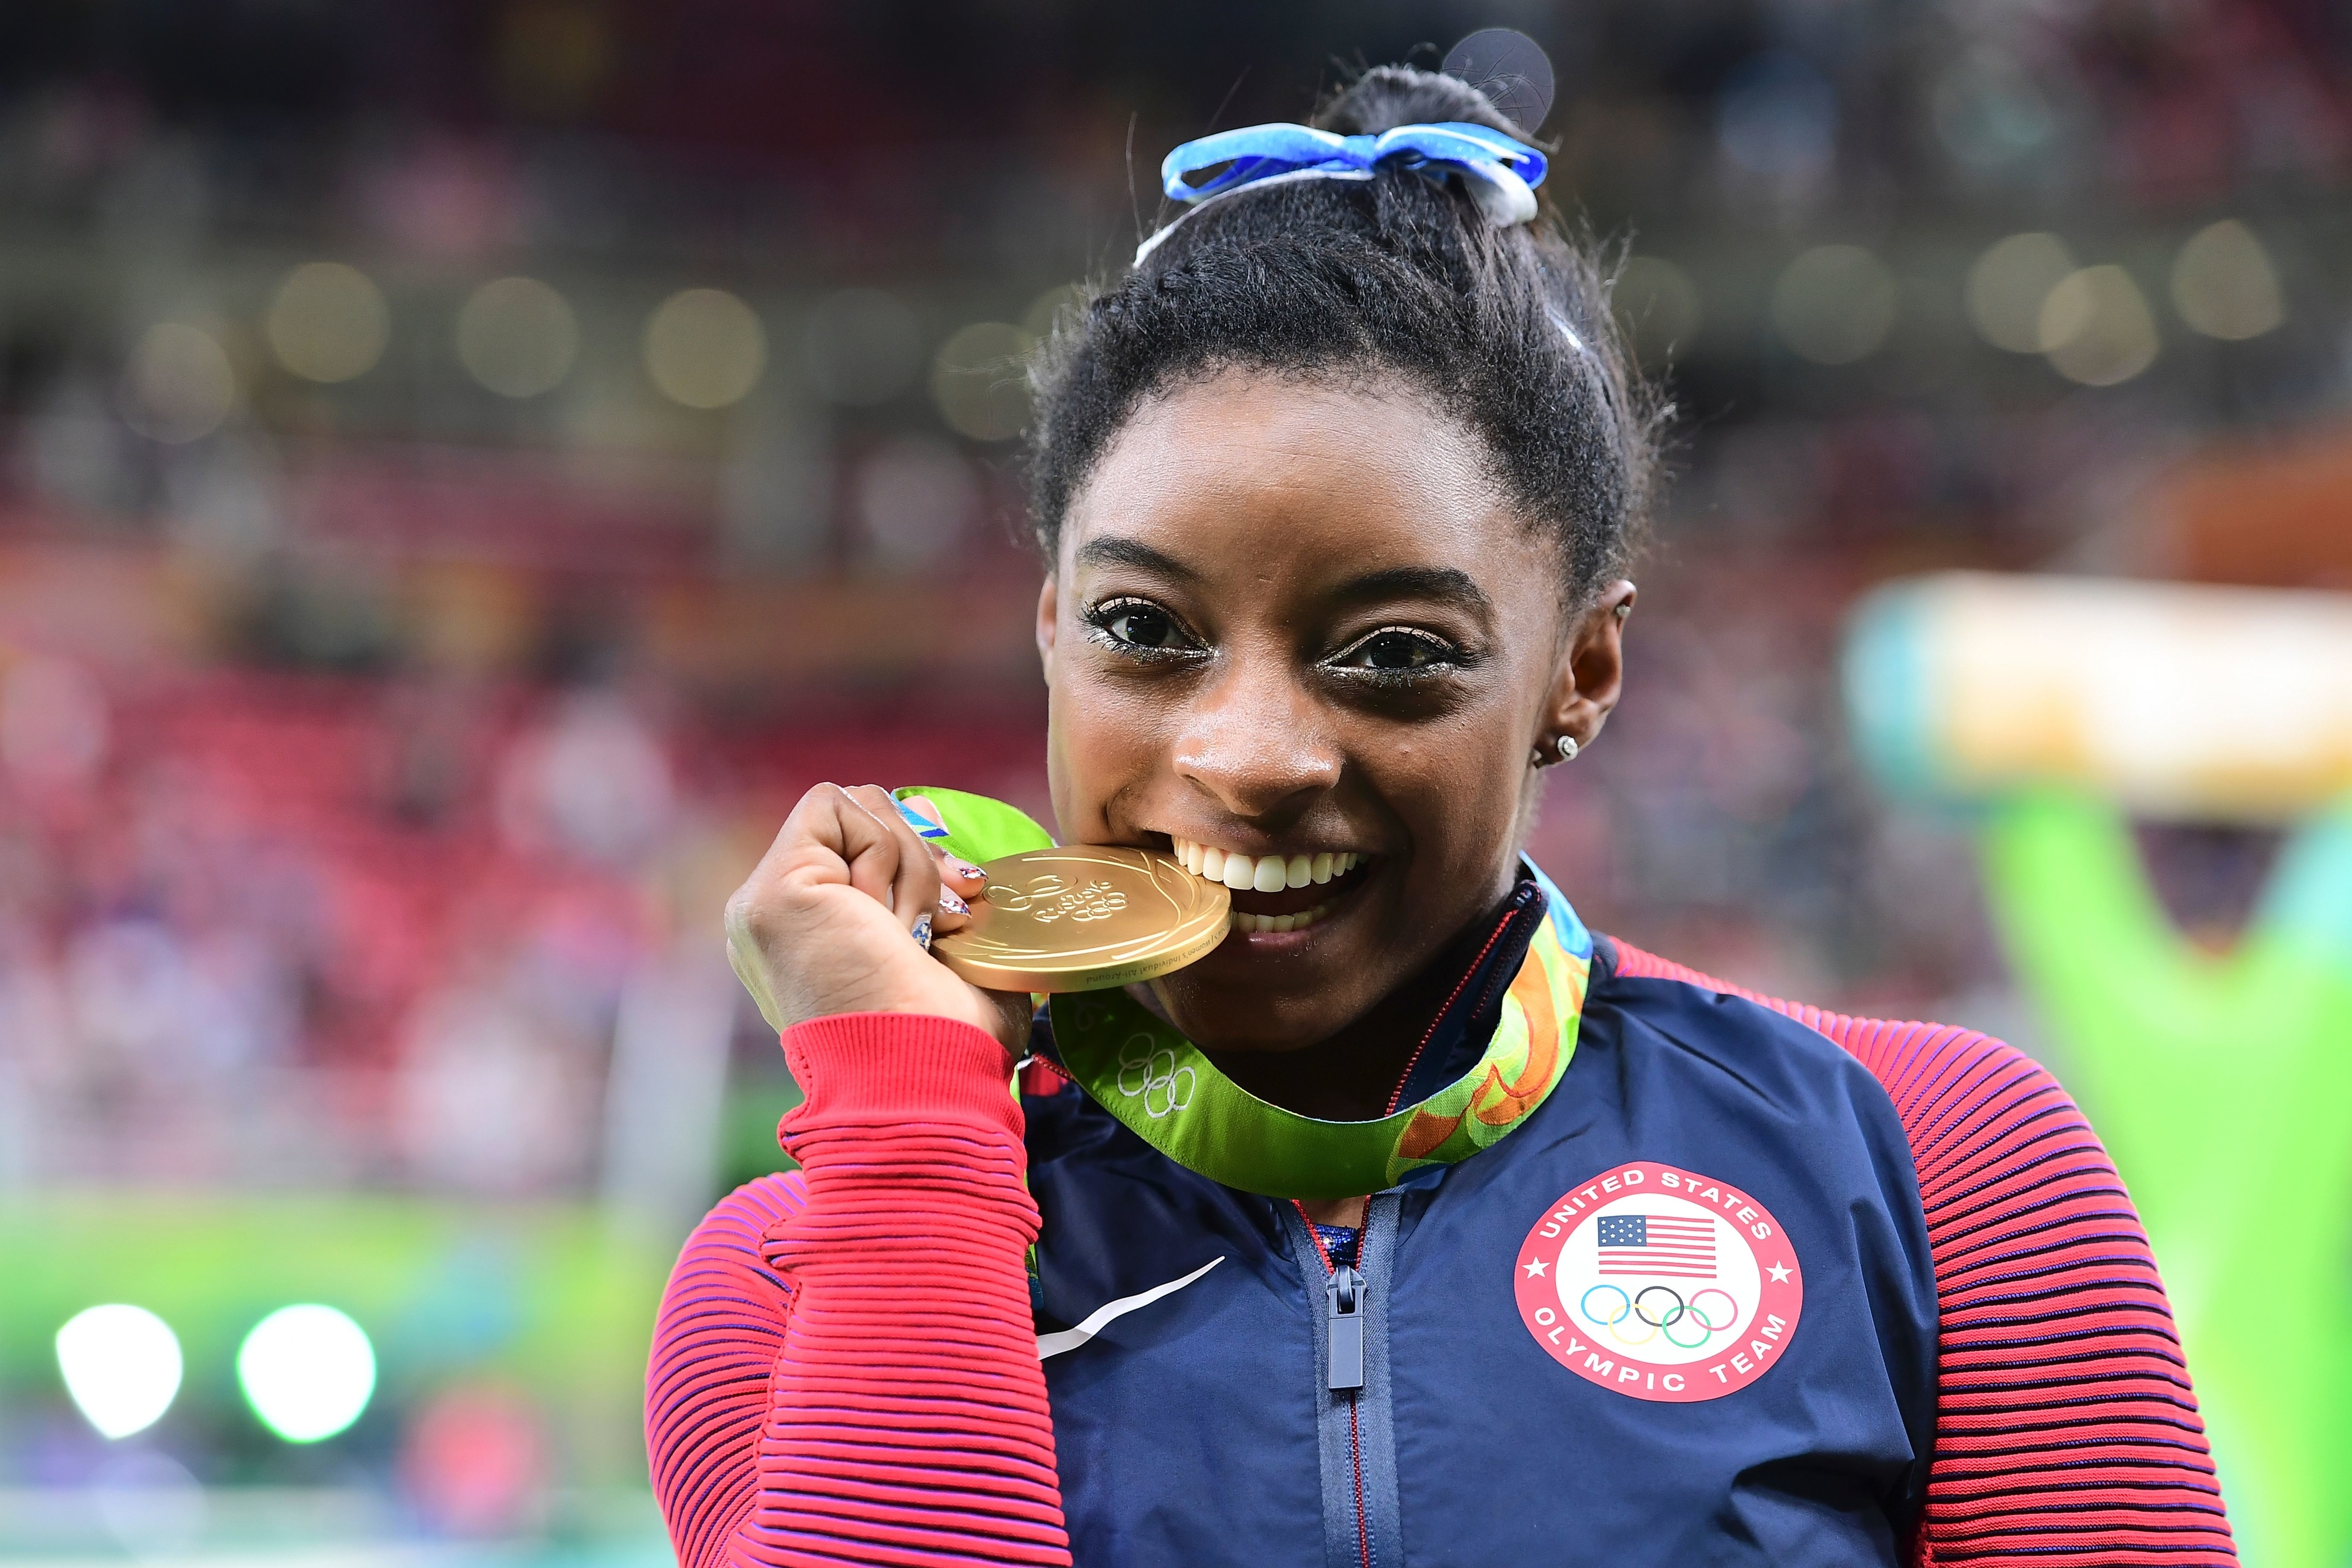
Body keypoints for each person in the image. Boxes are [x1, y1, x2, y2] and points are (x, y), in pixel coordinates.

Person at [646, 66, 2236, 1567]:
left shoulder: (1937, 1167)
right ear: (1051, 623)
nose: (1252, 752)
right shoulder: (790, 1271)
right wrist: (914, 1123)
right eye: (1147, 629)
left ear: (1582, 668)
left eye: (1393, 653)